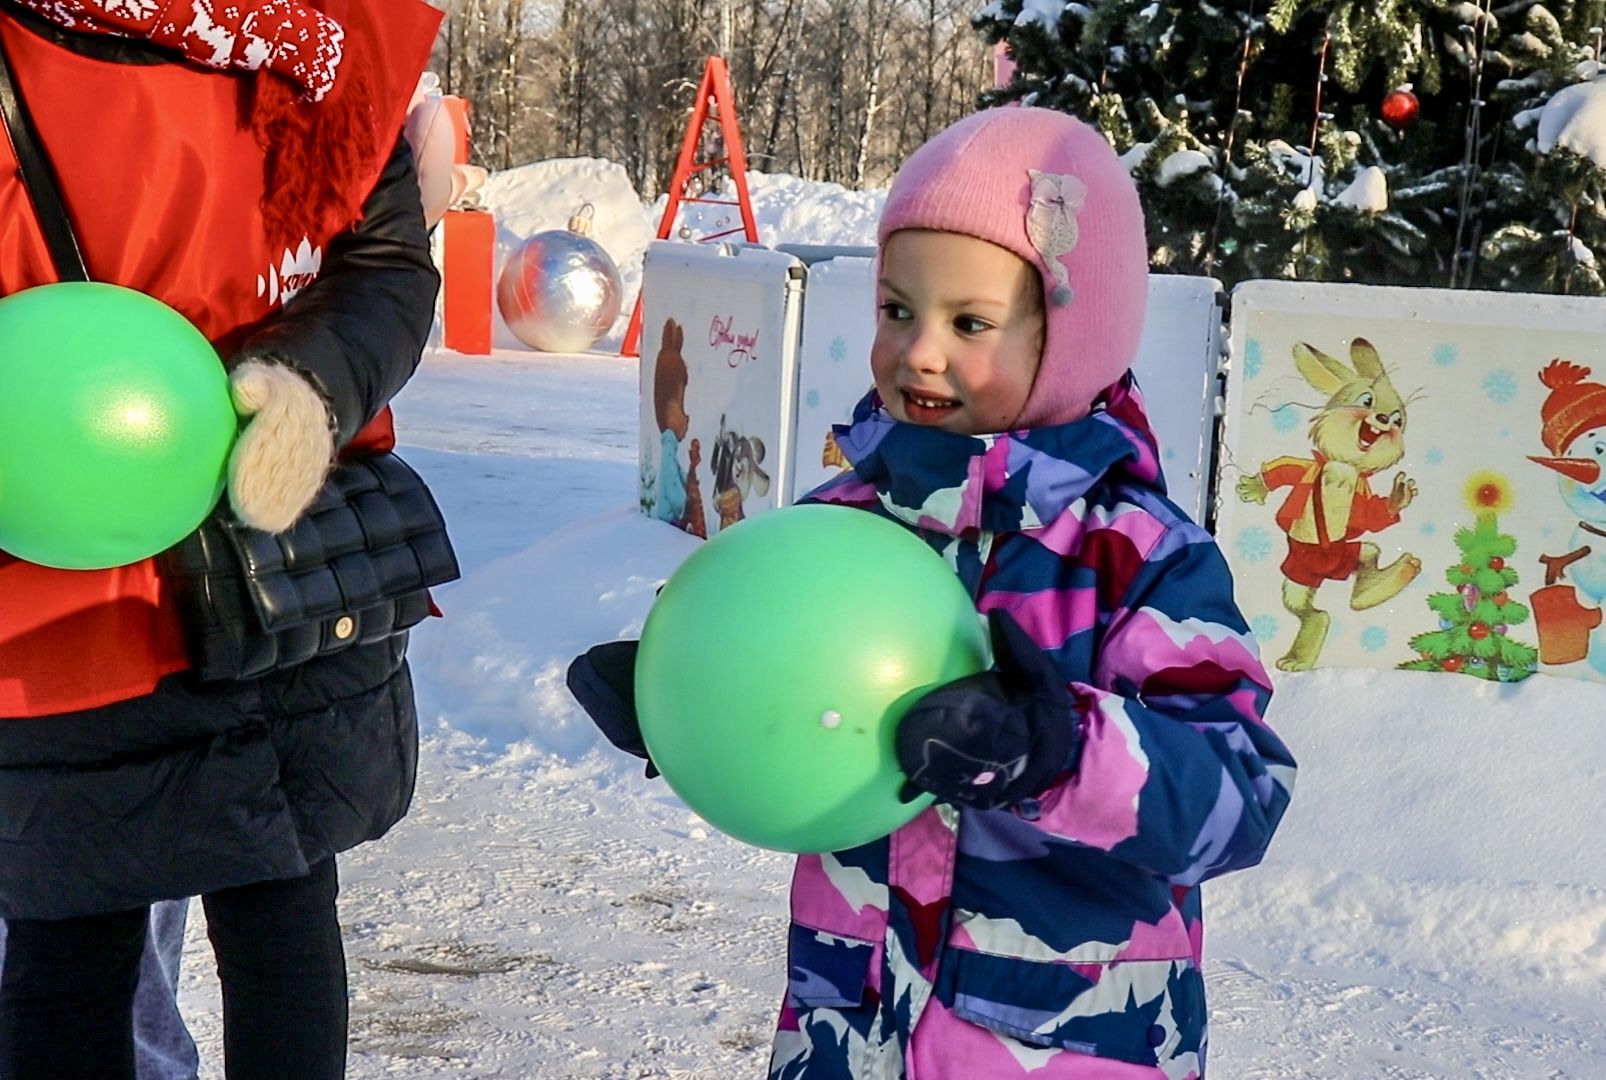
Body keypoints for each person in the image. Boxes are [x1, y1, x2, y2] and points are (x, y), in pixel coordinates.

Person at [568, 106, 1297, 1078]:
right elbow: (807, 716)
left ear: (1069, 338)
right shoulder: (843, 524)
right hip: (852, 1034)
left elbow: (1240, 795)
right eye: (896, 309)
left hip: (1056, 1043)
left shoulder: (1138, 558)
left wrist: (1056, 750)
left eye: (970, 324)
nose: (918, 350)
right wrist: (689, 698)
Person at [0, 1, 445, 1077]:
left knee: (285, 905)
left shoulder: (333, 39)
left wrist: (312, 386)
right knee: (73, 934)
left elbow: (386, 264)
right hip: (63, 580)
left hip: (275, 556)